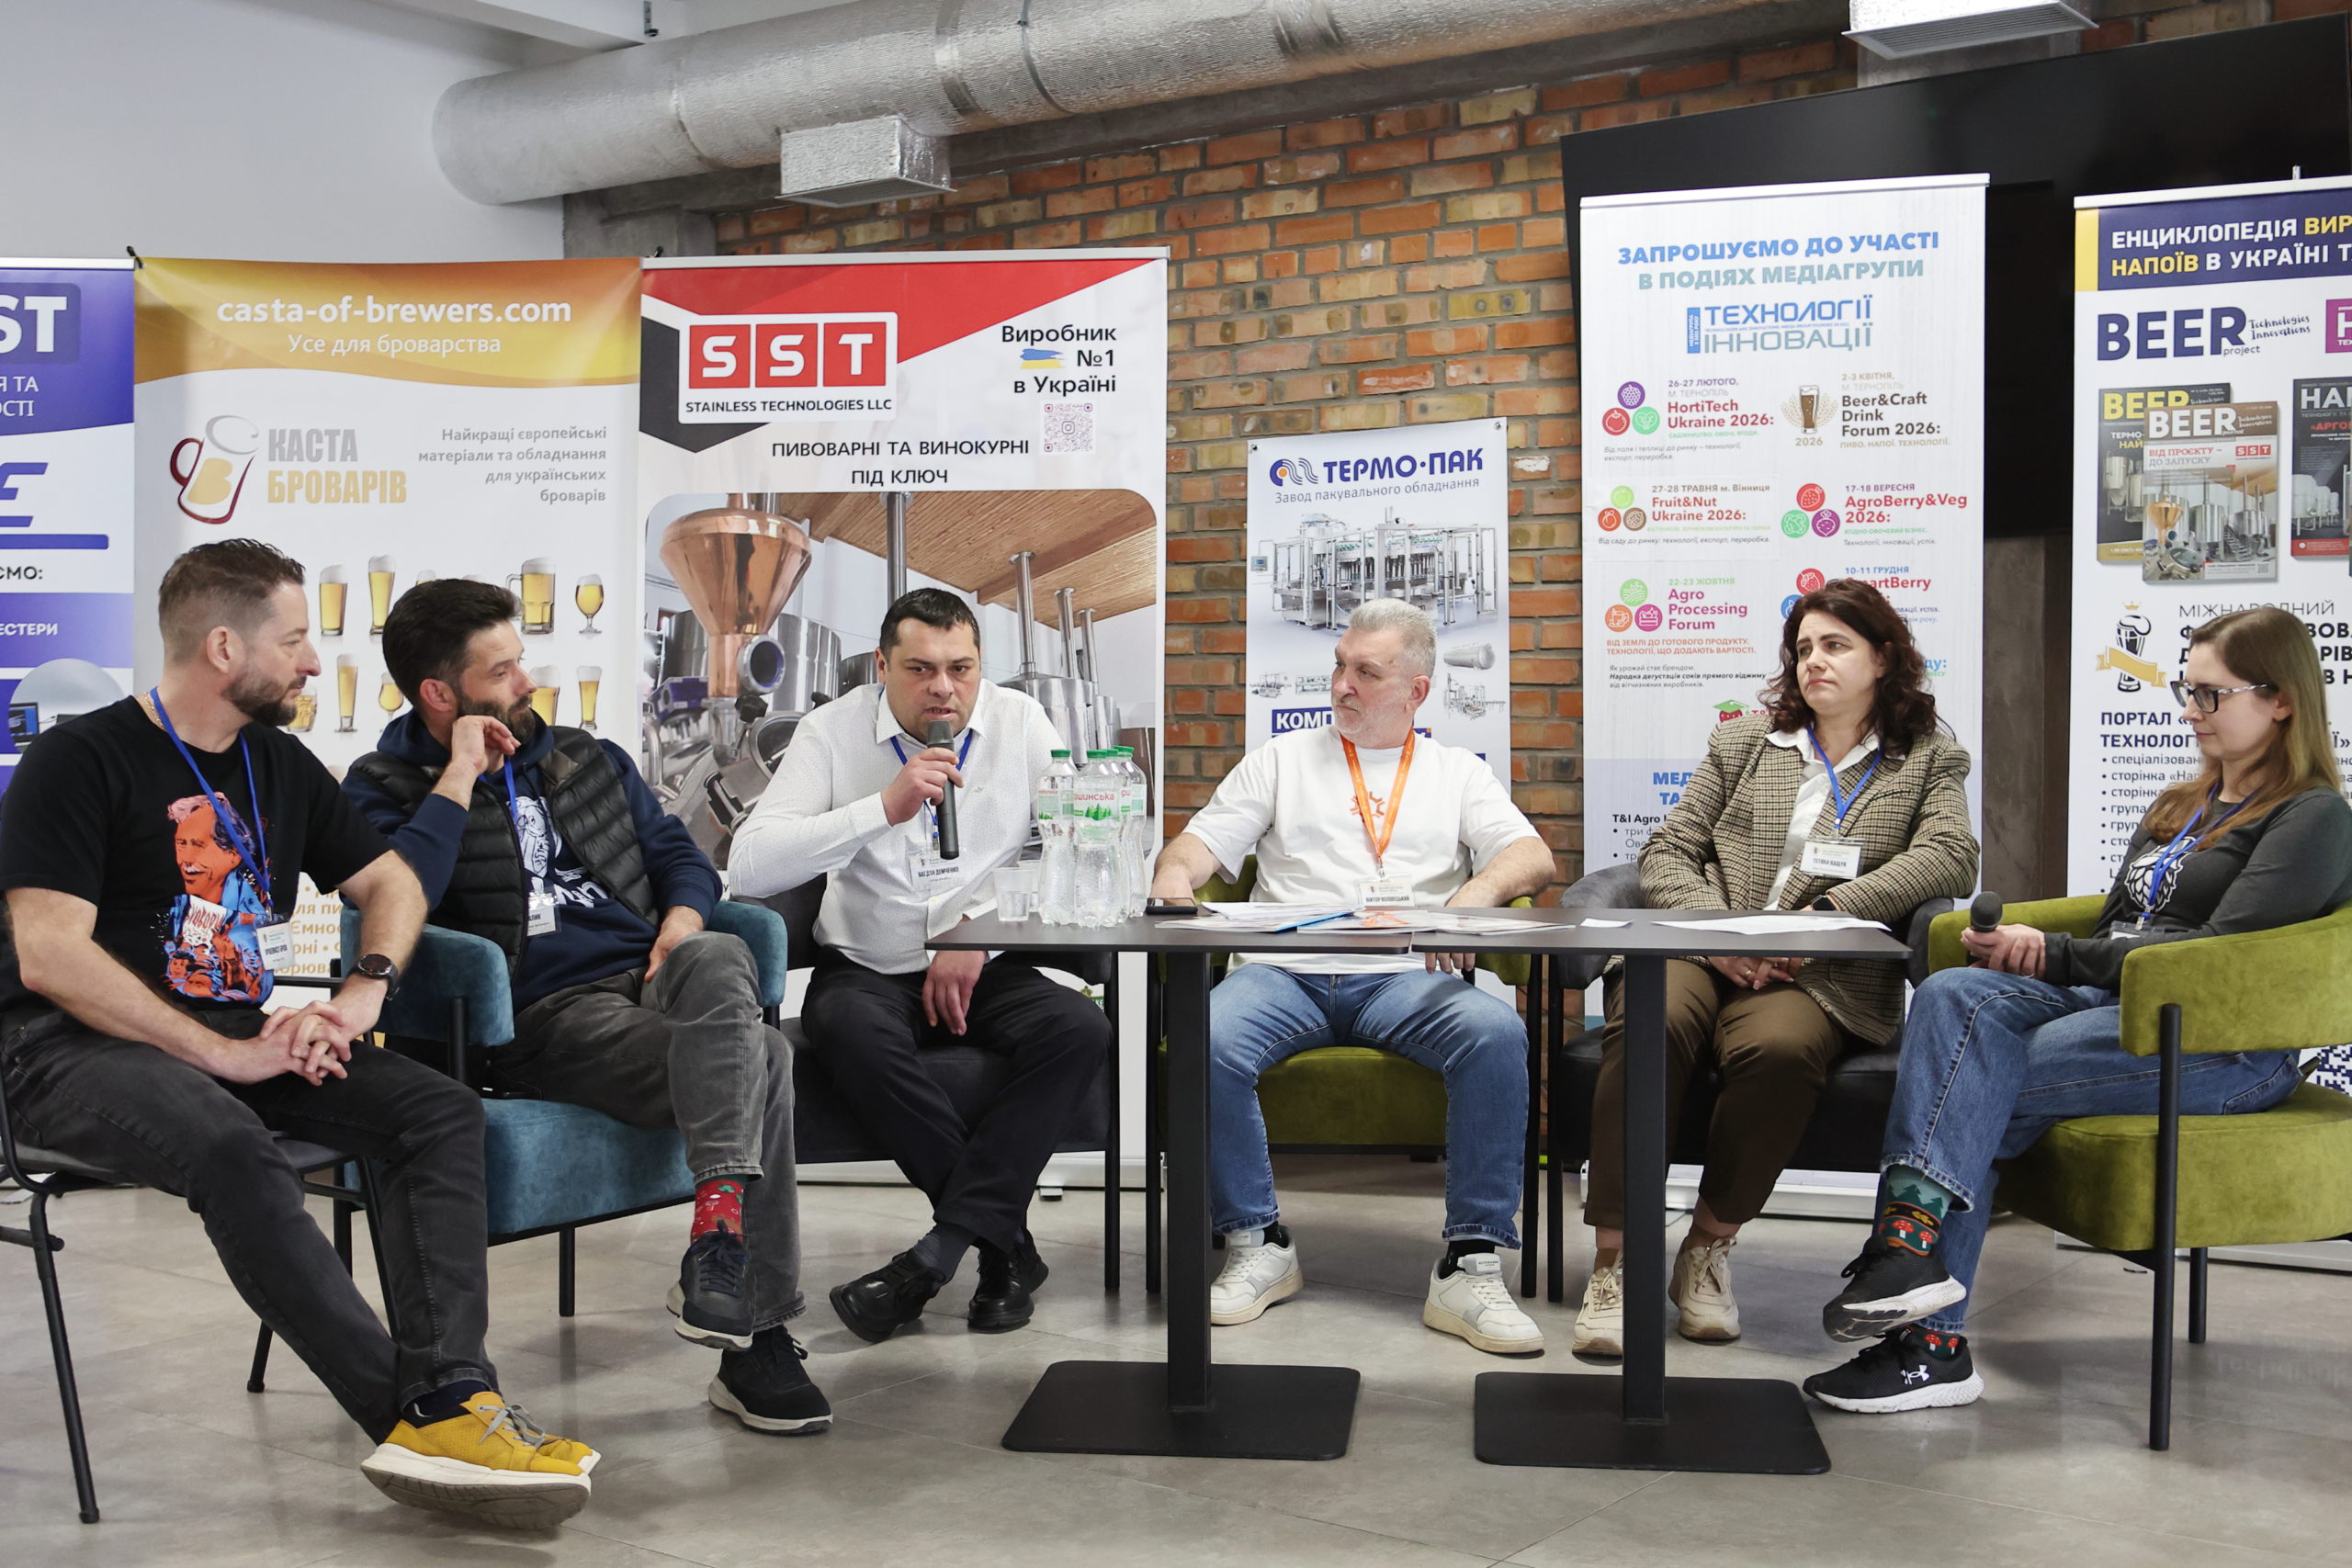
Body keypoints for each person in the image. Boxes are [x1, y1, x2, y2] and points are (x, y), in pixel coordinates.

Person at [0, 541, 596, 1528]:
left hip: (237, 1038)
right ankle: (412, 1424)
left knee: (438, 1112)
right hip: (62, 1052)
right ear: (223, 648)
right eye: (294, 641)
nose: (316, 661)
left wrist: (361, 994)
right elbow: (49, 956)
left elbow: (392, 883)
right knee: (232, 1144)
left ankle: (454, 1394)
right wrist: (228, 1053)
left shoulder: (277, 763)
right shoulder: (80, 759)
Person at [1807, 605, 2348, 1414]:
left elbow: (2212, 956)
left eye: (2211, 694)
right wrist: (2030, 952)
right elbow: (2118, 927)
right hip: (2111, 1001)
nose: (2191, 711)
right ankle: (1910, 1263)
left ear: (2282, 700)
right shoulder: (2182, 803)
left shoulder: (2312, 816)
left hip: (2218, 1044)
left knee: (1969, 1085)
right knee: (1954, 994)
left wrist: (2054, 954)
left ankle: (1926, 1333)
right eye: (2187, 692)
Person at [343, 580, 826, 1438]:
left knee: (722, 951)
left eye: (520, 660)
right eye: (501, 671)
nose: (526, 682)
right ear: (439, 694)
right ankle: (754, 1338)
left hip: (652, 975)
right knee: (768, 1055)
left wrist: (682, 919)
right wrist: (459, 774)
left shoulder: (584, 756)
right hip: (545, 1015)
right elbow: (399, 896)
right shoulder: (384, 784)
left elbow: (679, 852)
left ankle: (717, 1238)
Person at [1576, 578, 1977, 1359]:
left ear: (1883, 657)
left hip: (1816, 968)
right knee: (1651, 1020)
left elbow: (1951, 855)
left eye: (1835, 645)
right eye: (1802, 649)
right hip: (1700, 944)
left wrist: (1827, 915)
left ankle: (1706, 1247)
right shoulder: (1744, 741)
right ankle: (1614, 1263)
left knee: (1782, 1049)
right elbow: (1667, 849)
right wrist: (1718, 933)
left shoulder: (1927, 757)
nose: (1813, 661)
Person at [1148, 597, 1555, 1354]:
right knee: (1204, 1033)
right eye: (1339, 665)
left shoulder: (1457, 772)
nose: (1342, 684)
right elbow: (1195, 848)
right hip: (1284, 971)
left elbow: (1531, 856)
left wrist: (1468, 901)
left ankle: (1470, 1262)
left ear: (1416, 690)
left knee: (1496, 1031)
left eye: (1366, 672)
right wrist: (1174, 878)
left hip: (1403, 977)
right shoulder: (1279, 760)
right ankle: (1257, 1242)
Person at [729, 589, 1107, 1342]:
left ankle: (936, 1255)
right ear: (881, 665)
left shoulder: (1020, 722)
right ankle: (1002, 1248)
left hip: (985, 960)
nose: (943, 688)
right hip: (867, 966)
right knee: (848, 1030)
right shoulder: (831, 732)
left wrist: (978, 934)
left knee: (1080, 1029)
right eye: (921, 669)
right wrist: (881, 807)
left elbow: (1069, 843)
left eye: (961, 668)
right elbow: (750, 865)